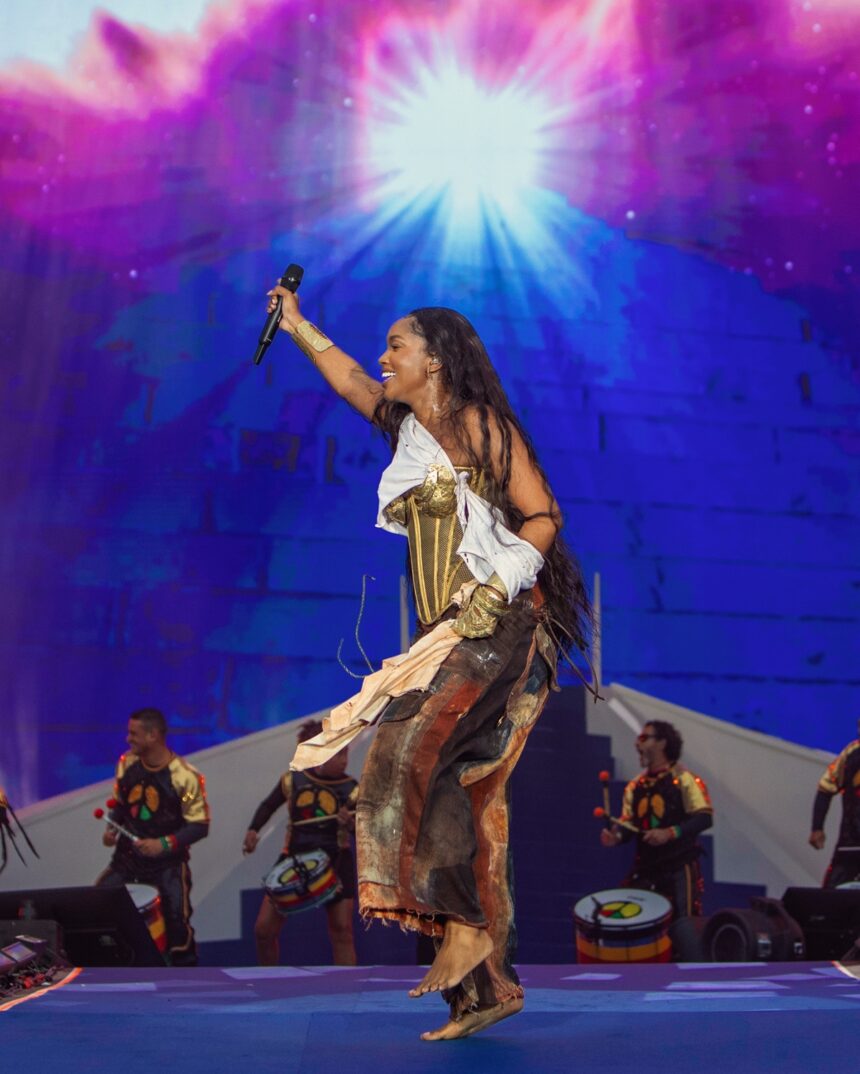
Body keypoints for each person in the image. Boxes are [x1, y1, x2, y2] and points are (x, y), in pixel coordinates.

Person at [264, 284, 593, 1041]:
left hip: (500, 618)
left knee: (403, 754)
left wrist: (496, 588)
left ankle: (465, 928)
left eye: (396, 346)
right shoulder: (408, 426)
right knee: (464, 797)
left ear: (436, 361)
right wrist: (296, 324)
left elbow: (543, 515)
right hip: (446, 632)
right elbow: (348, 378)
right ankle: (484, 986)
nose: (383, 358)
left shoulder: (480, 425)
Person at [96, 707, 210, 966]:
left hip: (167, 866)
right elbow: (120, 805)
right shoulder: (127, 763)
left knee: (177, 926)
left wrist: (163, 844)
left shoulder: (184, 776)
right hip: (127, 860)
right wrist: (112, 829)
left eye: (133, 734)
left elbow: (200, 825)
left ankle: (184, 979)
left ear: (153, 735)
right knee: (97, 904)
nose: (128, 739)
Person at [242, 720, 358, 966]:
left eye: (346, 753)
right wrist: (253, 830)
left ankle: (349, 985)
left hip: (337, 861)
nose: (344, 760)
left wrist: (351, 824)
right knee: (263, 930)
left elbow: (365, 832)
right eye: (338, 754)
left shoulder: (351, 789)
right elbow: (268, 806)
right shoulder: (292, 780)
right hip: (293, 859)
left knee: (342, 931)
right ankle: (268, 980)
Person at [600, 720, 713, 918]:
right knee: (628, 919)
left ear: (662, 743)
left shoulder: (684, 779)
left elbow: (704, 818)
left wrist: (669, 833)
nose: (637, 743)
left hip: (679, 864)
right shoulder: (635, 786)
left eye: (644, 738)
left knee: (685, 923)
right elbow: (628, 824)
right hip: (647, 866)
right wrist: (616, 836)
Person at [809, 721, 860, 888]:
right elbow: (825, 788)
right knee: (833, 895)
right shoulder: (851, 754)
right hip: (850, 846)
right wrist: (817, 827)